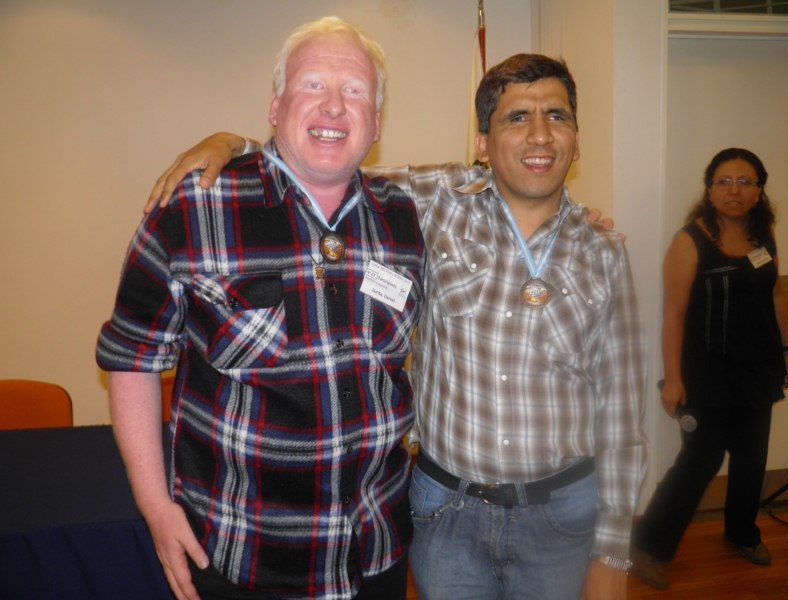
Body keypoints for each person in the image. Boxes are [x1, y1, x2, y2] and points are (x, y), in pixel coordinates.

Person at [147, 52, 647, 600]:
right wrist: (234, 143)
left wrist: (613, 551)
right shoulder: (429, 201)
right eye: (516, 117)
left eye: (556, 116)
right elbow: (322, 163)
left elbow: (622, 413)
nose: (540, 135)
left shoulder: (604, 252)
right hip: (447, 514)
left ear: (577, 140)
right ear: (481, 143)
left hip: (560, 518)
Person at [96, 17, 425, 600]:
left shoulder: (402, 215)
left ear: (376, 121)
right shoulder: (194, 207)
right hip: (241, 556)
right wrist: (155, 505)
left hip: (376, 550)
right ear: (276, 106)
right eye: (312, 85)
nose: (333, 106)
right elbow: (131, 358)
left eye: (354, 91)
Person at [631, 148, 788, 590]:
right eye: (724, 181)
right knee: (699, 462)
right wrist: (673, 379)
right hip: (706, 374)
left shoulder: (764, 235)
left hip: (757, 369)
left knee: (752, 459)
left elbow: (775, 294)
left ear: (759, 191)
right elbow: (673, 316)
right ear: (710, 190)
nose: (734, 190)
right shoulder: (690, 240)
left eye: (745, 182)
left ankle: (742, 533)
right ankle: (649, 545)